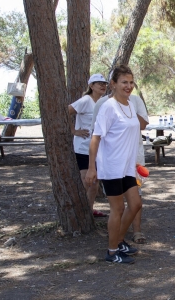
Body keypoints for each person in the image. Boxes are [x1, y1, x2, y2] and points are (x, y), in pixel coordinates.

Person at [86, 64, 142, 264]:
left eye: (131, 82)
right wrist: (92, 168)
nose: (128, 86)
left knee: (135, 204)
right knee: (117, 209)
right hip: (111, 167)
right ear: (113, 84)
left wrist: (133, 161)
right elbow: (95, 138)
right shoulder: (108, 107)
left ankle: (118, 241)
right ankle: (111, 252)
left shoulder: (130, 104)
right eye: (124, 82)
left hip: (126, 166)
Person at [68, 74, 108, 218]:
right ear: (91, 86)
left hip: (98, 148)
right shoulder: (85, 100)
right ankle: (79, 213)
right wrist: (74, 131)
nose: (103, 86)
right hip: (83, 148)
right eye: (99, 84)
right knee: (86, 181)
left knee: (95, 182)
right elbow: (66, 111)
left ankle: (89, 211)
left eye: (104, 83)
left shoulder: (104, 102)